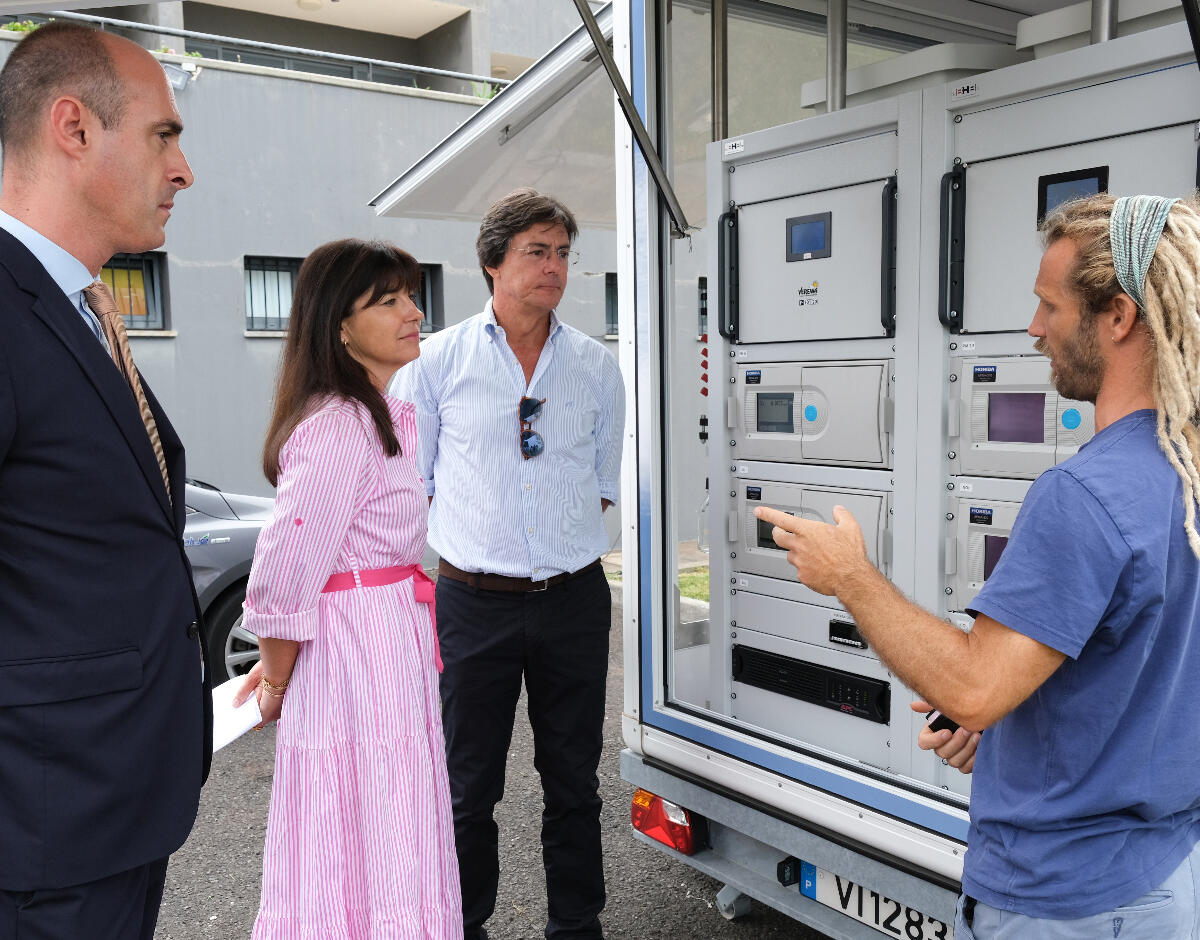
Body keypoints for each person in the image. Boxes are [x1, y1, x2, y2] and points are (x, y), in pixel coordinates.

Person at [756, 192, 1200, 939]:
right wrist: (1012, 729)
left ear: (1119, 317)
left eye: (1050, 307)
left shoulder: (1084, 495)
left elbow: (974, 684)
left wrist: (849, 575)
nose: (1035, 330)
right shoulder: (1182, 476)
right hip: (1164, 877)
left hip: (1065, 902)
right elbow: (1140, 677)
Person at [0, 22, 210, 939]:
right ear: (73, 127)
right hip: (41, 840)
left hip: (107, 816)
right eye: (165, 135)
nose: (184, 170)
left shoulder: (78, 304)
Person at [391, 188, 625, 940]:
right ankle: (463, 924)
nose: (554, 266)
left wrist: (546, 552)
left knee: (573, 782)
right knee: (466, 786)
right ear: (492, 262)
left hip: (573, 601)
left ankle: (576, 924)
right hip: (471, 603)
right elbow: (411, 483)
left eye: (562, 253)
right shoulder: (434, 364)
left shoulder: (595, 366)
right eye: (537, 251)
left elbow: (602, 487)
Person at [232, 239, 461, 939]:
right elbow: (283, 569)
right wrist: (273, 680)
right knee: (360, 812)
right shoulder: (340, 425)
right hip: (355, 651)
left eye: (411, 296)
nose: (414, 313)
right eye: (388, 300)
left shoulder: (382, 416)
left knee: (385, 809)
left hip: (387, 638)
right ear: (339, 324)